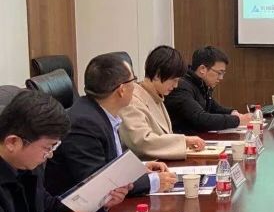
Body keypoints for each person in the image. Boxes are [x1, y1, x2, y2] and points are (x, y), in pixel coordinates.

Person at [0, 91, 128, 212]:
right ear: (12, 142)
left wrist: (100, 202)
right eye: (47, 148)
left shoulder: (27, 165)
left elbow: (47, 206)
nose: (50, 155)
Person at [45, 53, 176, 196]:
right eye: (133, 80)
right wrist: (153, 182)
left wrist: (139, 169)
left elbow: (109, 165)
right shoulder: (84, 124)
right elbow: (101, 183)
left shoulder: (101, 113)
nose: (135, 85)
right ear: (122, 90)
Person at [119, 46, 206, 160]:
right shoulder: (131, 101)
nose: (176, 85)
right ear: (157, 74)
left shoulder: (155, 96)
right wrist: (184, 141)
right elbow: (142, 142)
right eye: (174, 80)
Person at [165, 46, 251, 134]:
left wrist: (233, 112)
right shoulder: (182, 87)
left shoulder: (201, 84)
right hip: (184, 139)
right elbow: (201, 119)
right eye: (219, 73)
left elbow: (214, 108)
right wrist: (238, 120)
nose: (221, 78)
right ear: (202, 69)